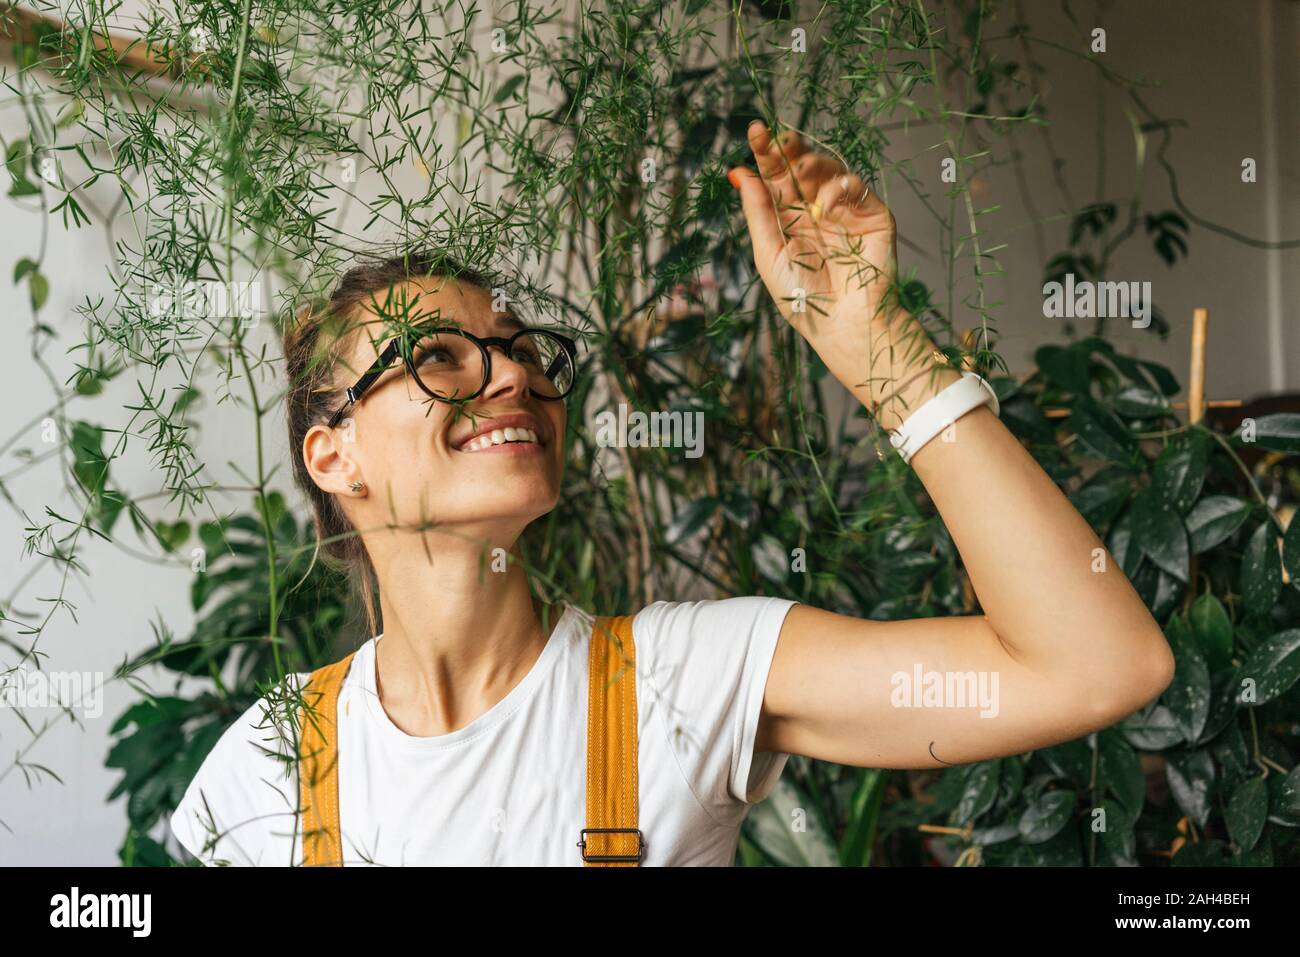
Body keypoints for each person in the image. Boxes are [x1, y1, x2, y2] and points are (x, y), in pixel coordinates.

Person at [169, 122, 1174, 866]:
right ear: (333, 455)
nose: (513, 376)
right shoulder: (264, 771)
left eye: (523, 353)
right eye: (438, 358)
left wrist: (884, 353)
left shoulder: (687, 680)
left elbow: (1093, 668)